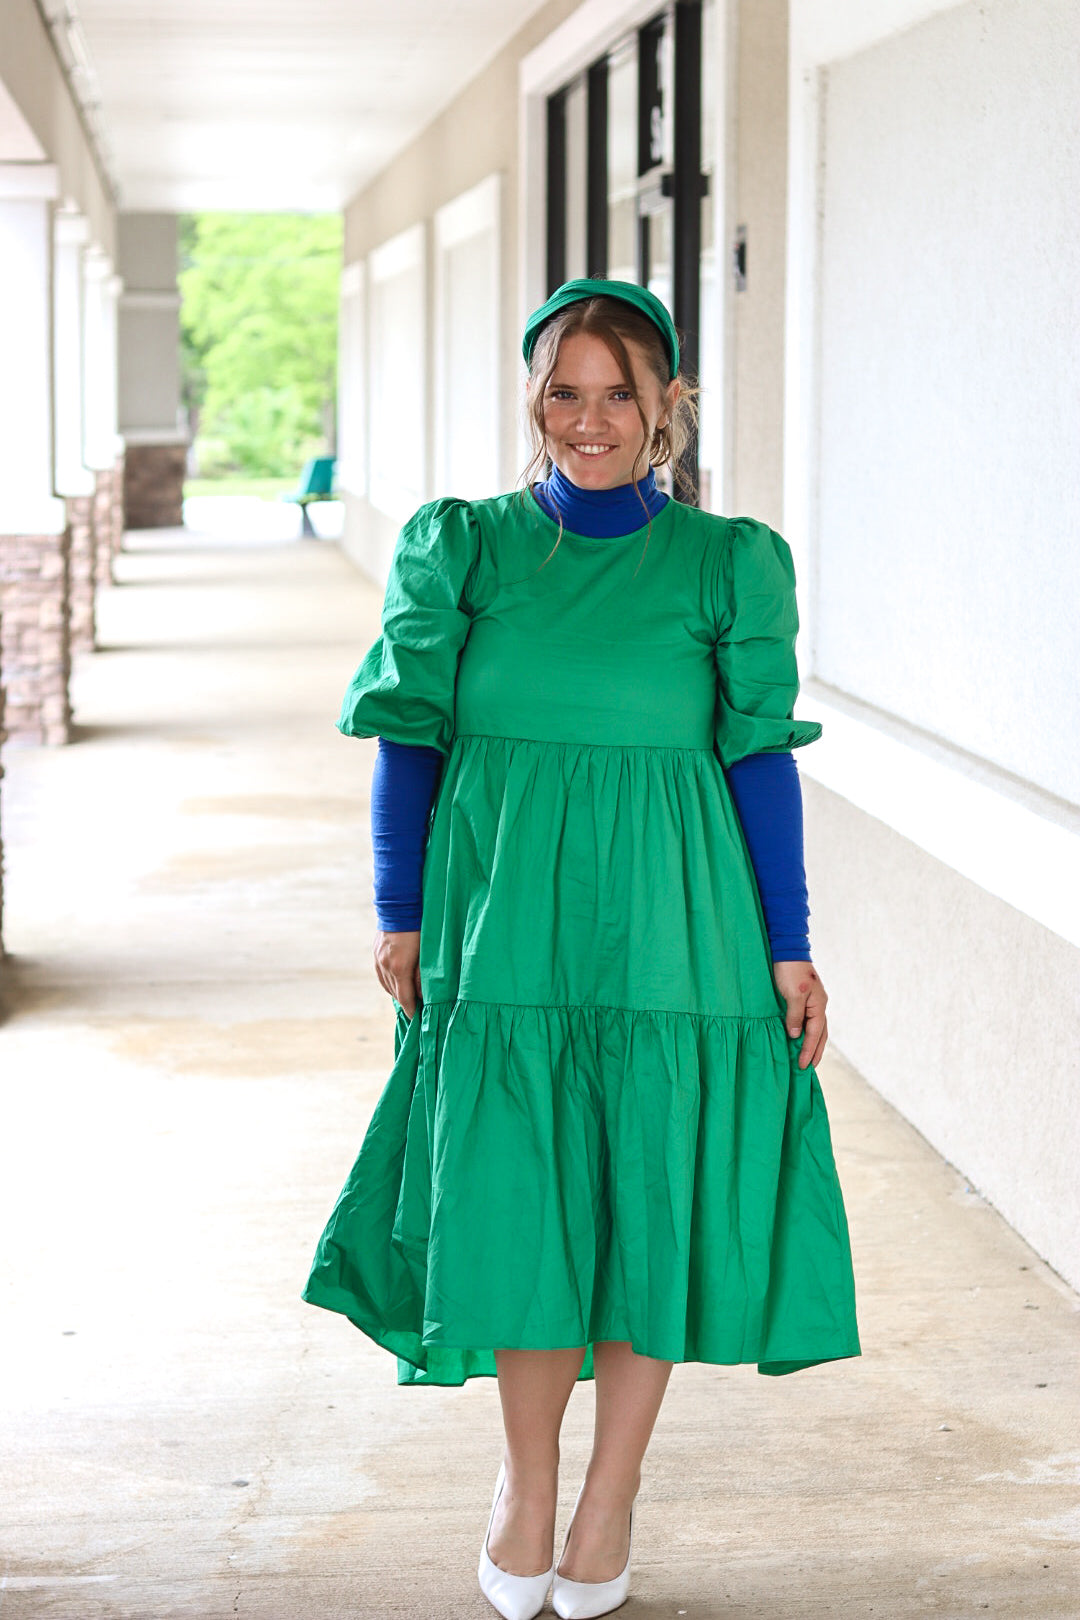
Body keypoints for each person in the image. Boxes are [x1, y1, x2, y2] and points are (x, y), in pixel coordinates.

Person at [303, 276, 860, 1620]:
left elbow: (760, 766)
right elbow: (409, 740)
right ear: (535, 401)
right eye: (567, 391)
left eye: (621, 392)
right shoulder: (465, 548)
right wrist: (400, 910)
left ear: (667, 403)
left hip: (681, 928)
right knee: (521, 1199)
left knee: (648, 1201)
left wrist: (787, 945)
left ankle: (610, 1499)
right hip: (506, 923)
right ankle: (526, 1488)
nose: (593, 417)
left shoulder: (731, 562)